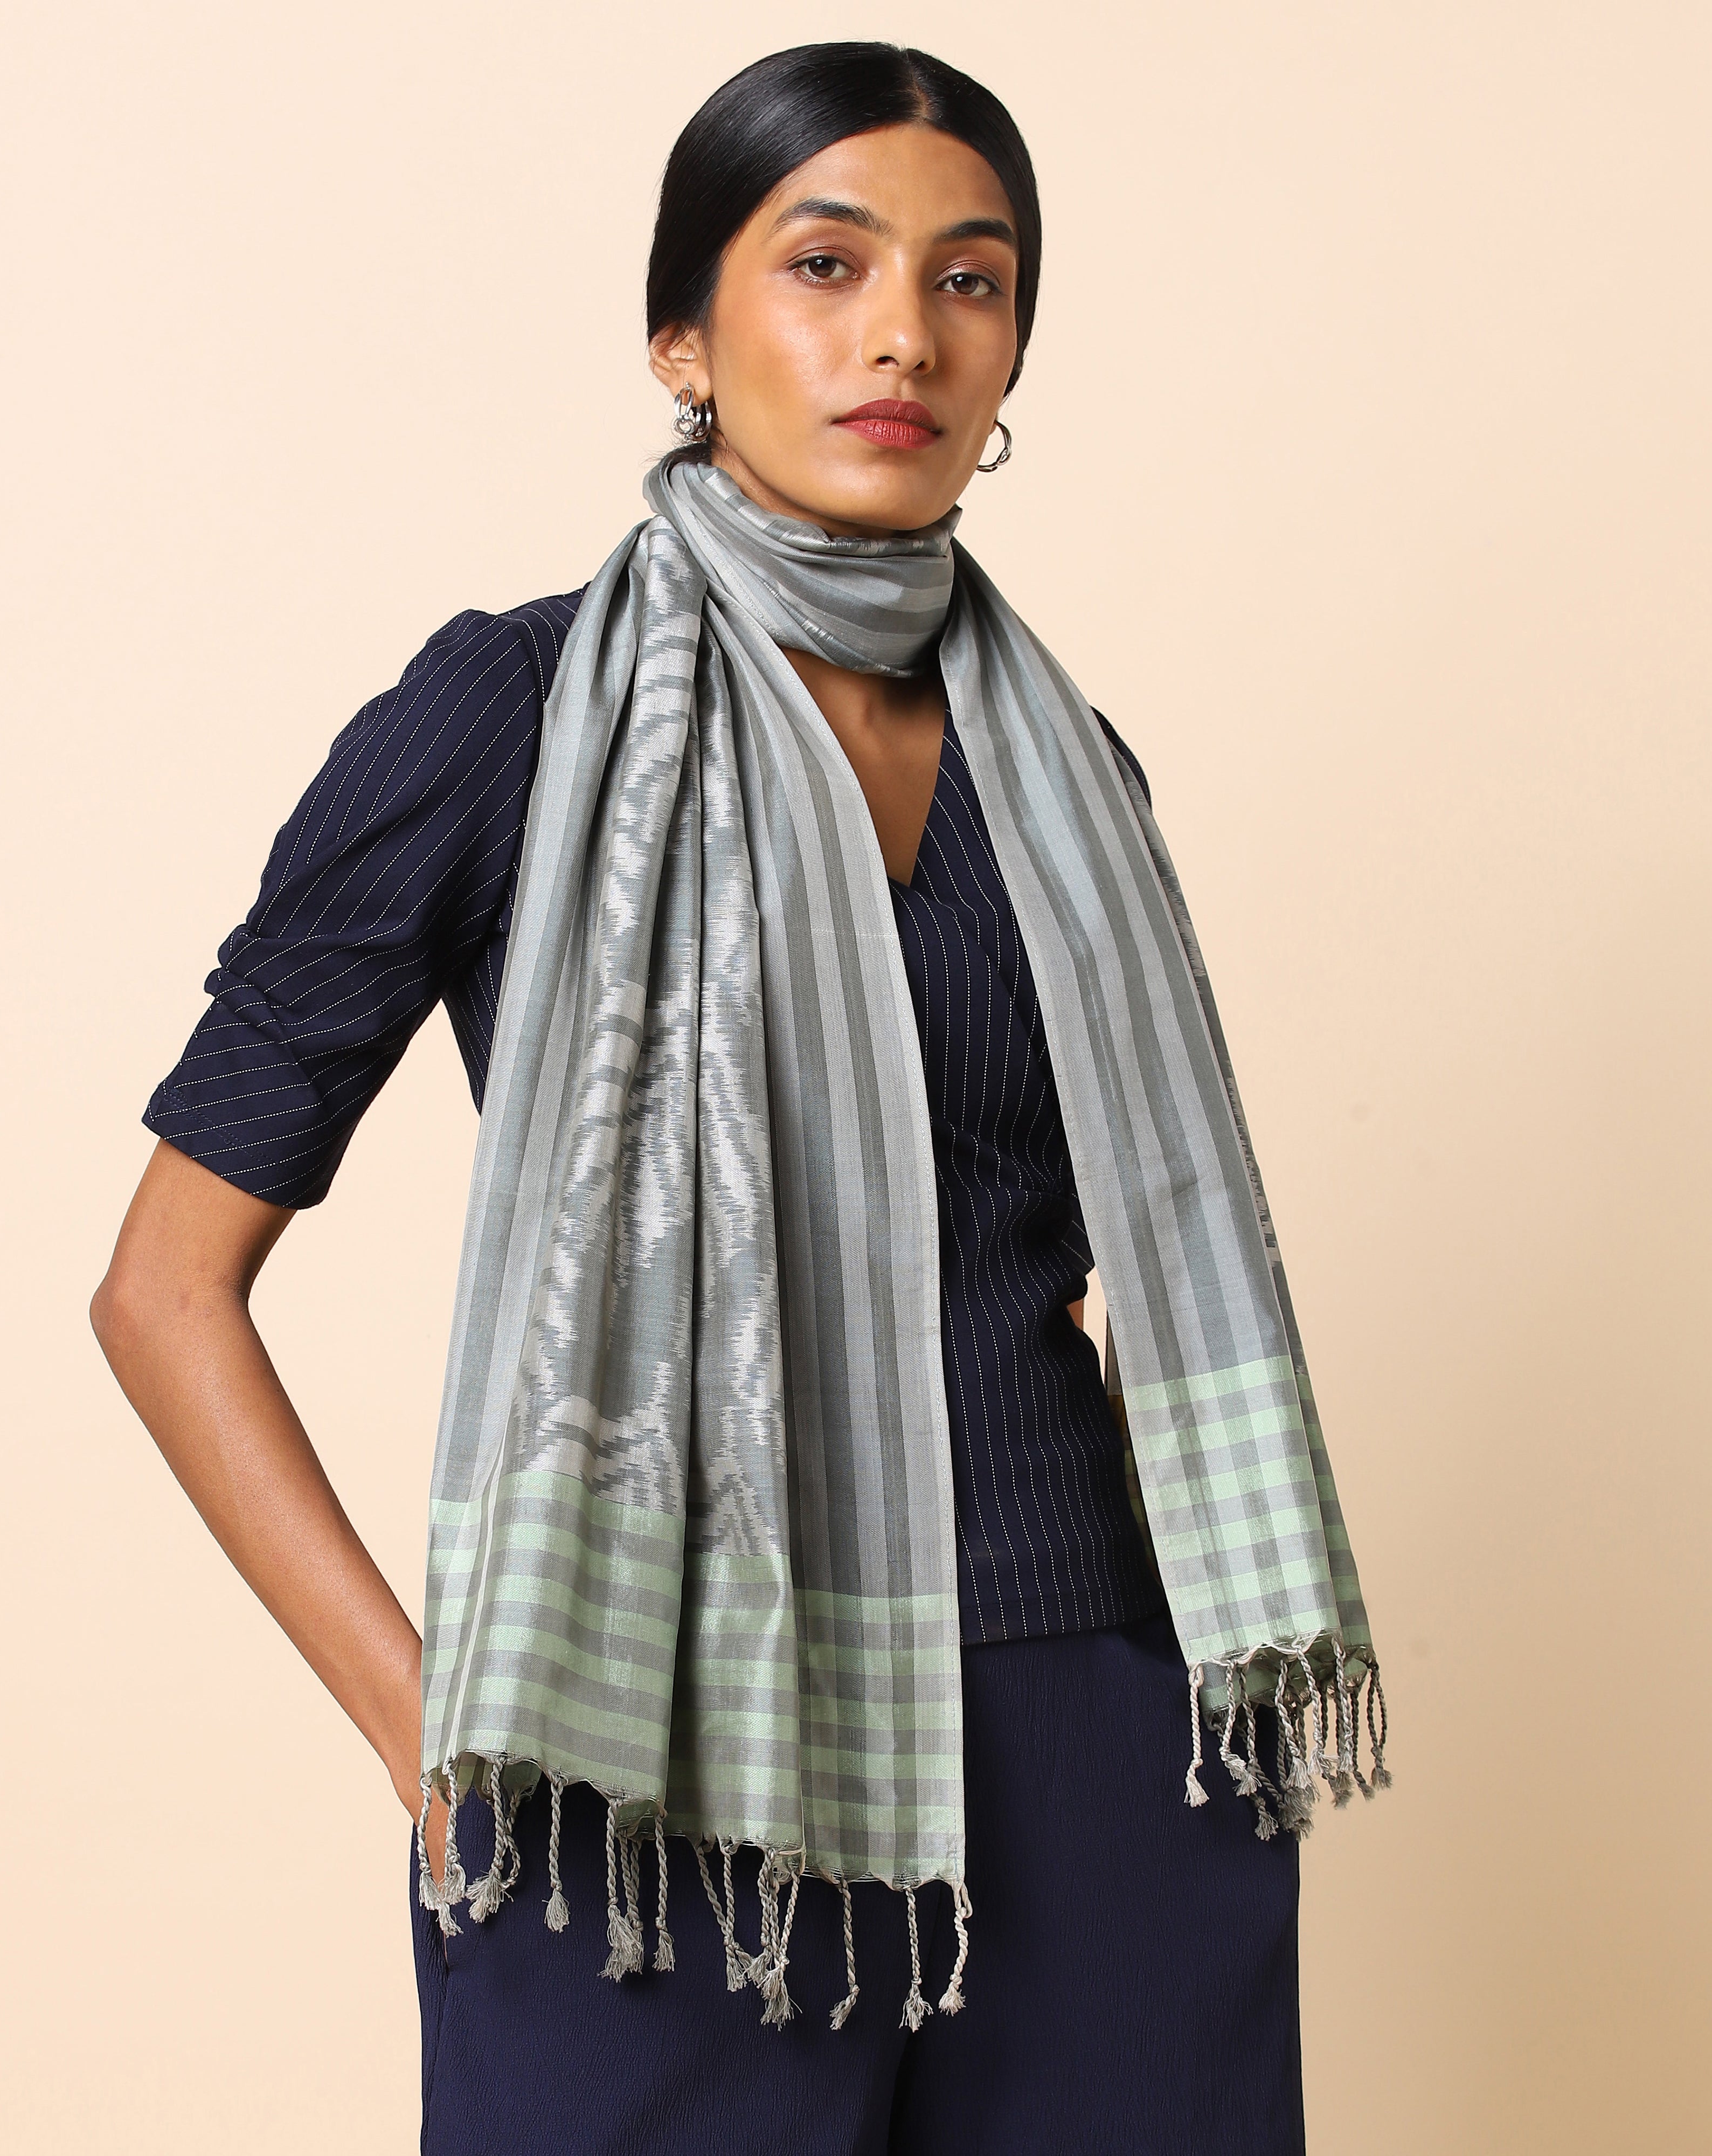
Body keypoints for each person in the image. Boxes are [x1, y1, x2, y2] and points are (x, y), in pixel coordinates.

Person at [92, 42, 1385, 2155]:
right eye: (825, 263)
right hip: (656, 1738)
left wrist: (1151, 1690)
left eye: (969, 280)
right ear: (681, 338)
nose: (904, 334)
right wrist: (426, 1725)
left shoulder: (1071, 780)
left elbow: (1097, 1264)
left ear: (1010, 350)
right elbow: (161, 1291)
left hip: (1095, 1730)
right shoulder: (508, 717)